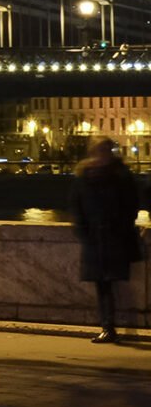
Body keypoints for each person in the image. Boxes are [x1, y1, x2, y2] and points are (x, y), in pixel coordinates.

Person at [69, 136, 143, 343]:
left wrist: (120, 227)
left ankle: (110, 327)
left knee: (109, 283)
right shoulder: (85, 176)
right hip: (96, 239)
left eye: (105, 150)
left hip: (113, 237)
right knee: (102, 285)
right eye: (100, 150)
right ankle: (108, 327)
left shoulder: (119, 175)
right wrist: (84, 231)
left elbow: (131, 205)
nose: (103, 154)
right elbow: (76, 206)